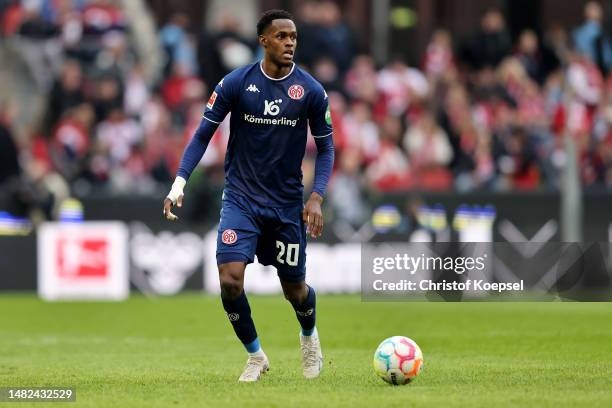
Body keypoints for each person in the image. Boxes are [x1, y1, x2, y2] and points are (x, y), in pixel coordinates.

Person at [163, 10, 334, 382]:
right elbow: (202, 134)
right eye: (282, 36)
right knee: (230, 280)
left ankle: (309, 338)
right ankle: (256, 356)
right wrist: (180, 182)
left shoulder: (311, 91)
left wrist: (317, 196)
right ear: (264, 41)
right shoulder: (235, 83)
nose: (290, 42)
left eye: (293, 37)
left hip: (287, 205)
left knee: (295, 290)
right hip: (240, 199)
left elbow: (327, 149)